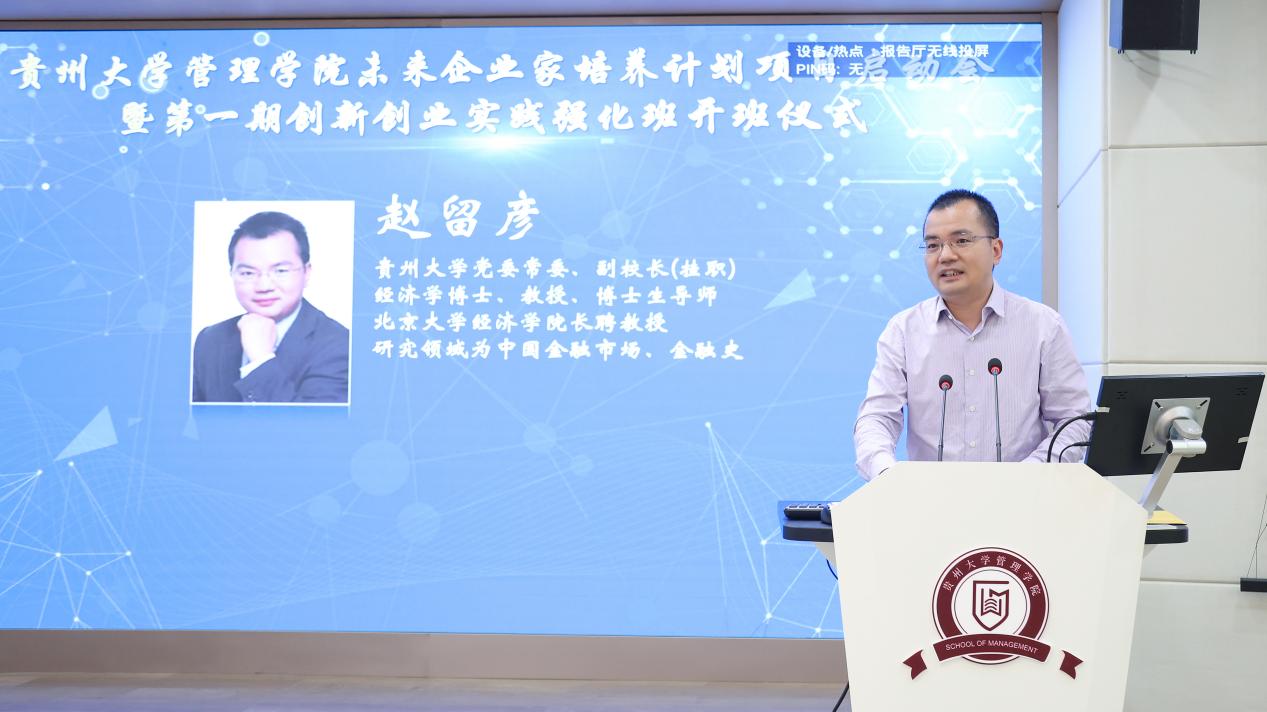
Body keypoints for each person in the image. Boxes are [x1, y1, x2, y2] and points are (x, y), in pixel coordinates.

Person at [853, 189, 1090, 480]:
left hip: (1023, 498)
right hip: (930, 500)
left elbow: (1073, 421)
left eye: (961, 241)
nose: (945, 256)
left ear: (996, 250)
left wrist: (1028, 476)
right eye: (933, 245)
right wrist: (886, 474)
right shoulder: (903, 330)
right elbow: (877, 417)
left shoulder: (1043, 326)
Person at [191, 211, 349, 404]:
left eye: (280, 271)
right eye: (248, 273)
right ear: (231, 274)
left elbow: (313, 423)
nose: (264, 286)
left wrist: (260, 360)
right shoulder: (210, 339)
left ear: (306, 273)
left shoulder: (340, 344)